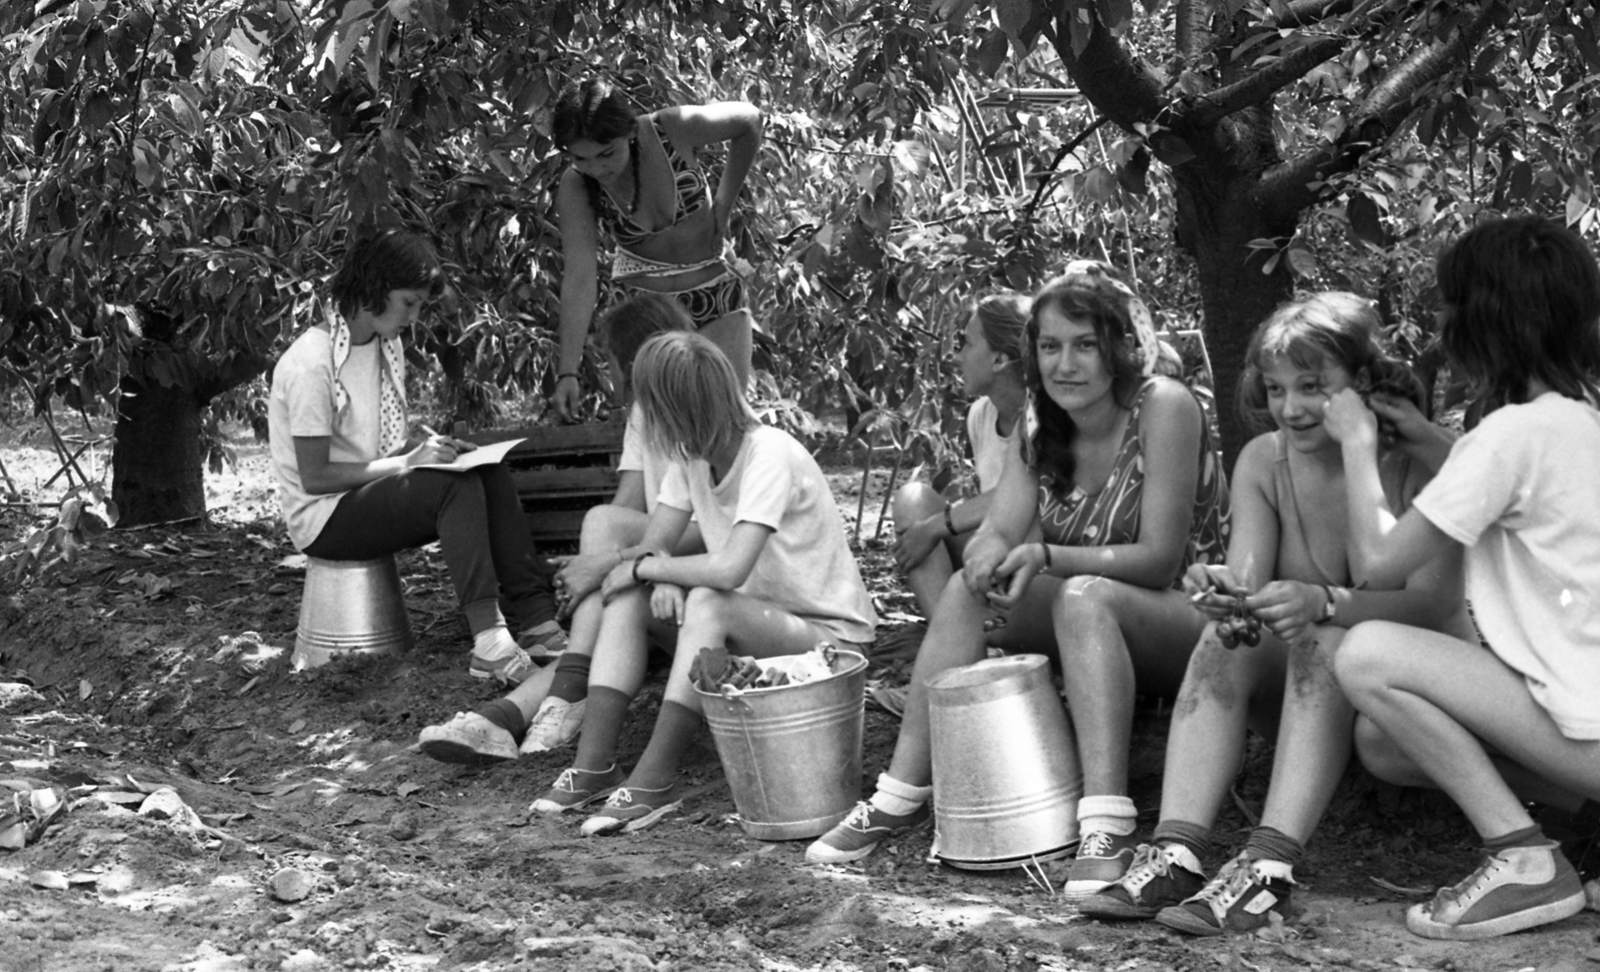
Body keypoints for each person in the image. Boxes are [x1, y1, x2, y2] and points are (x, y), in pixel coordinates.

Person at [806, 263, 1229, 899]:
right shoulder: (1041, 416)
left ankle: (1107, 819)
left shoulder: (1163, 406)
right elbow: (1002, 527)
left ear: (1119, 348)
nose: (1066, 364)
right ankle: (898, 795)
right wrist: (987, 556)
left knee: (1086, 597)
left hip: (1187, 621)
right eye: (1051, 346)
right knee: (964, 591)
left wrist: (1047, 557)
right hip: (1090, 613)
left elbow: (1160, 560)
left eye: (1085, 345)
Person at [1078, 292, 1468, 935]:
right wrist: (1222, 588)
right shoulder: (1265, 459)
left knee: (1326, 635)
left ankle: (1268, 870)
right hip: (1311, 690)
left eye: (1313, 386)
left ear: (1360, 384)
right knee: (1225, 638)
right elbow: (1252, 578)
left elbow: (1432, 606)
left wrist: (1324, 601)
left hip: (1407, 688)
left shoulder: (1414, 466)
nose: (1291, 407)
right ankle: (1176, 852)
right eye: (1278, 388)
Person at [1325, 215, 1600, 942]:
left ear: (1480, 320)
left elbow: (1383, 560)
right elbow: (1502, 488)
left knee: (1368, 654)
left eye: (1449, 305)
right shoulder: (1574, 420)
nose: (1441, 322)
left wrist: (1358, 446)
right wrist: (1423, 437)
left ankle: (1523, 859)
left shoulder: (1505, 436)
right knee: (1387, 744)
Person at [530, 331, 877, 836]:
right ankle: (595, 765)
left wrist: (653, 568)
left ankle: (656, 779)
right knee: (629, 593)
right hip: (753, 629)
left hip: (828, 644)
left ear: (674, 408)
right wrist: (653, 570)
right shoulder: (691, 459)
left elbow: (727, 569)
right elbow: (655, 544)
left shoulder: (768, 454)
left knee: (706, 599)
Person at [267, 229, 559, 686]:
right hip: (323, 519)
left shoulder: (385, 346)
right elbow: (316, 477)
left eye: (421, 304)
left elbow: (377, 450)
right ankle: (489, 643)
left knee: (483, 468)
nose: (416, 316)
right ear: (373, 289)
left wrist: (430, 450)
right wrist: (410, 464)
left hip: (366, 494)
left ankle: (540, 621)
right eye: (409, 302)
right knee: (452, 485)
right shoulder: (312, 363)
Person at [417, 294, 700, 763]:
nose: (608, 376)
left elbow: (714, 534)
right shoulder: (643, 416)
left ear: (633, 363)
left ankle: (542, 704)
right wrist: (591, 565)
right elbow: (628, 509)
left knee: (600, 546)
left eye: (609, 363)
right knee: (601, 553)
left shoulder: (699, 415)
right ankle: (507, 717)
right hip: (652, 575)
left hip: (693, 590)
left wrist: (606, 563)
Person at [549, 77, 762, 421]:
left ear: (629, 131)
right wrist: (567, 372)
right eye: (581, 159)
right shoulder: (576, 186)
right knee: (649, 436)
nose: (598, 168)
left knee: (729, 425)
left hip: (718, 299)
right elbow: (579, 278)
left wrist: (723, 206)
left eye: (607, 153)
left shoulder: (672, 128)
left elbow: (749, 120)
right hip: (645, 316)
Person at [892, 292, 1032, 621]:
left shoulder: (1044, 415)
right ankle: (953, 634)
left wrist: (936, 527)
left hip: (1038, 558)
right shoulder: (981, 414)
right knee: (913, 499)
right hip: (996, 551)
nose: (958, 356)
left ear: (999, 360)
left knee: (927, 523)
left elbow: (1023, 497)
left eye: (968, 344)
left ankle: (962, 635)